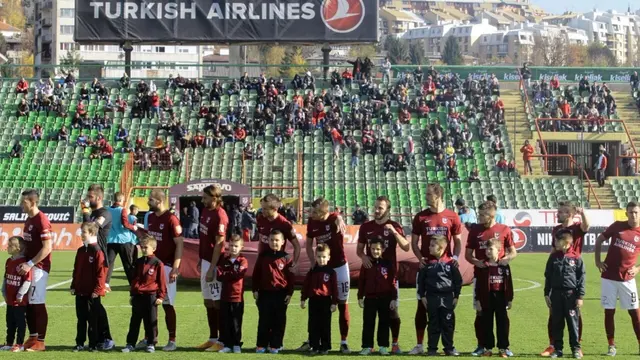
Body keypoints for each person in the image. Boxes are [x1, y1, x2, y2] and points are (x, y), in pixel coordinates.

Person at [409, 184, 463, 355]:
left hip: (445, 269)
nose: (425, 197)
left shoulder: (452, 216)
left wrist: (454, 259)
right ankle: (420, 345)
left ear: (438, 195)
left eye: (428, 194)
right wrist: (420, 259)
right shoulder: (420, 217)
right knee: (421, 306)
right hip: (427, 269)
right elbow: (414, 242)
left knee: (447, 314)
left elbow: (458, 241)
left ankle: (448, 346)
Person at [356, 196, 410, 353]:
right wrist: (364, 257)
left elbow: (406, 247)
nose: (376, 210)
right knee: (370, 316)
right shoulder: (366, 227)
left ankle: (393, 343)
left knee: (392, 312)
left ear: (388, 210)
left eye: (380, 208)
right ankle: (368, 346)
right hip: (372, 275)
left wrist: (394, 232)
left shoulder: (394, 225)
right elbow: (360, 250)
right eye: (375, 207)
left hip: (389, 276)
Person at [465, 201, 517, 356]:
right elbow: (468, 255)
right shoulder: (475, 230)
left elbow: (513, 252)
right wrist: (476, 262)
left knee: (502, 316)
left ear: (491, 214)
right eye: (478, 214)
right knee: (480, 313)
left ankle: (504, 347)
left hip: (500, 280)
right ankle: (482, 345)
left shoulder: (504, 230)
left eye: (482, 215)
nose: (479, 217)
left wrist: (506, 259)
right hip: (481, 278)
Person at [300, 198, 351, 353]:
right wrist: (312, 261)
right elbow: (308, 243)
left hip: (340, 266)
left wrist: (340, 218)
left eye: (315, 212)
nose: (311, 214)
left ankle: (343, 341)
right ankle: (312, 340)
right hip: (322, 266)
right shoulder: (312, 222)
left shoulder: (334, 218)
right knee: (316, 305)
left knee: (342, 304)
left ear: (324, 213)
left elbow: (337, 215)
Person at [541, 201, 590, 357]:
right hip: (557, 272)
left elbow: (587, 226)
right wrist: (551, 266)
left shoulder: (576, 228)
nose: (557, 214)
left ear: (569, 214)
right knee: (554, 315)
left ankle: (577, 345)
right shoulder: (556, 229)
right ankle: (553, 345)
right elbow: (553, 249)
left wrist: (582, 213)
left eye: (561, 212)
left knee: (574, 315)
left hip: (572, 273)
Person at [594, 201, 640, 356]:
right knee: (609, 312)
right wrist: (597, 261)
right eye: (631, 212)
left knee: (635, 313)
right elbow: (599, 240)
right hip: (609, 278)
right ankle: (611, 345)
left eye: (636, 212)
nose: (633, 215)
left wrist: (638, 268)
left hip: (627, 279)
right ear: (626, 213)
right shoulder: (617, 226)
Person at [143, 189, 184, 351]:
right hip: (151, 267)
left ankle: (172, 340)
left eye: (151, 200)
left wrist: (175, 268)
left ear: (159, 201)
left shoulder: (171, 219)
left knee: (167, 303)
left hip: (166, 268)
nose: (148, 202)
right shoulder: (151, 217)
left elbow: (180, 244)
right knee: (149, 304)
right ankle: (150, 338)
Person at [80, 184, 115, 350]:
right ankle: (98, 337)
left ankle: (107, 337)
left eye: (91, 197)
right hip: (89, 259)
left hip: (100, 260)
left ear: (99, 198)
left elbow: (92, 229)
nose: (88, 199)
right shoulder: (93, 213)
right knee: (90, 303)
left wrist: (86, 214)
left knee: (96, 302)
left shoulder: (104, 213)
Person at [19, 190, 53, 352]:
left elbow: (47, 248)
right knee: (29, 303)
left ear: (32, 203)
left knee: (37, 301)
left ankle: (40, 340)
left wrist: (30, 263)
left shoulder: (42, 220)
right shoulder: (29, 219)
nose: (21, 205)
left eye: (23, 202)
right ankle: (33, 337)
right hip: (29, 266)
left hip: (39, 267)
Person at [196, 185, 229, 352]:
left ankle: (222, 341)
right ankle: (212, 337)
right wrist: (201, 259)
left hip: (215, 263)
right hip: (205, 261)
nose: (203, 200)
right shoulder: (205, 211)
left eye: (205, 197)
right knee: (207, 301)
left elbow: (218, 244)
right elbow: (204, 239)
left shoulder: (220, 216)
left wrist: (212, 268)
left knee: (217, 302)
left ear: (215, 198)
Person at [417, 235, 462, 356]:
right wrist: (422, 296)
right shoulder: (426, 263)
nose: (429, 247)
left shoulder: (451, 263)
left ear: (441, 247)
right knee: (433, 323)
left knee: (448, 323)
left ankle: (449, 348)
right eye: (429, 245)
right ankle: (432, 349)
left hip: (447, 298)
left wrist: (456, 296)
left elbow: (458, 281)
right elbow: (420, 281)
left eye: (432, 245)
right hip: (431, 298)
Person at [121, 236, 167, 354]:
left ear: (154, 248)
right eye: (142, 247)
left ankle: (151, 343)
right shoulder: (139, 262)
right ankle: (130, 344)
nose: (143, 249)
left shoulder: (158, 263)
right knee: (135, 321)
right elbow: (135, 279)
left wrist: (161, 296)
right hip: (138, 296)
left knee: (150, 321)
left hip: (151, 296)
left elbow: (162, 281)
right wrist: (132, 294)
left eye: (146, 247)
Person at [544, 231, 586, 359]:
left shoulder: (576, 257)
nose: (554, 243)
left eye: (557, 241)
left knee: (573, 324)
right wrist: (546, 294)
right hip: (556, 295)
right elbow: (548, 276)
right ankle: (558, 349)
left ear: (566, 243)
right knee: (557, 323)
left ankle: (575, 349)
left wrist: (580, 296)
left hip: (571, 295)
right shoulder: (553, 257)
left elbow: (581, 277)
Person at [252, 230, 295, 354]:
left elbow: (290, 278)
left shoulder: (286, 258)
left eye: (277, 240)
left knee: (279, 320)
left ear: (282, 242)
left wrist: (289, 293)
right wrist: (255, 289)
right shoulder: (263, 256)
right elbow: (256, 274)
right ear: (268, 241)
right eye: (271, 240)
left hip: (280, 293)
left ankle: (276, 344)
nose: (274, 242)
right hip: (265, 293)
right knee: (264, 320)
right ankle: (261, 344)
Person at [71, 222, 108, 352]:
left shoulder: (97, 251)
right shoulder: (81, 250)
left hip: (93, 292)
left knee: (93, 320)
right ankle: (79, 343)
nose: (81, 234)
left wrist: (98, 290)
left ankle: (93, 344)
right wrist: (73, 285)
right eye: (81, 232)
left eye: (84, 232)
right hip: (80, 291)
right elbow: (76, 270)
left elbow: (101, 273)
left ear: (91, 233)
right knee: (81, 319)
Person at [357, 237, 398, 355]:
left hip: (385, 298)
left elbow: (392, 282)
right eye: (373, 249)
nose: (375, 251)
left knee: (384, 322)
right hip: (370, 298)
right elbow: (361, 281)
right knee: (368, 322)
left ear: (383, 250)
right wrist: (360, 296)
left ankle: (383, 346)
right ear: (369, 248)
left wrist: (393, 298)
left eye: (378, 249)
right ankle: (367, 346)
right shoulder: (366, 264)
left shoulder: (388, 264)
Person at [474, 239, 514, 358]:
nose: (488, 251)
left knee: (502, 322)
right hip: (487, 297)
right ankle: (488, 348)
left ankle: (503, 348)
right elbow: (478, 285)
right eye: (487, 249)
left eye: (491, 249)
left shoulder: (504, 266)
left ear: (499, 250)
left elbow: (509, 283)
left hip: (501, 297)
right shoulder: (482, 266)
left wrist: (510, 298)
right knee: (487, 323)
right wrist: (477, 300)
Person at [300, 244, 338, 355]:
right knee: (313, 325)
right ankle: (314, 346)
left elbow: (335, 288)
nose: (321, 259)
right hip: (313, 301)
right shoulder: (312, 271)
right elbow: (306, 285)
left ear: (328, 257)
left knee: (325, 325)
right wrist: (303, 298)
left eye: (324, 257)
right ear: (315, 257)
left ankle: (325, 347)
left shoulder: (331, 272)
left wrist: (334, 302)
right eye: (319, 257)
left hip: (326, 301)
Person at [217, 234, 248, 354]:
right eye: (231, 245)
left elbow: (239, 275)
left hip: (237, 297)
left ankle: (236, 344)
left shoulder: (243, 260)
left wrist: (227, 274)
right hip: (225, 296)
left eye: (236, 246)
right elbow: (219, 276)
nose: (233, 248)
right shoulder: (224, 260)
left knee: (236, 322)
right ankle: (227, 344)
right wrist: (231, 273)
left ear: (241, 247)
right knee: (225, 321)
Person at [1, 236, 32, 352]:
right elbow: (6, 277)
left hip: (19, 301)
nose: (7, 247)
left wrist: (20, 294)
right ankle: (9, 343)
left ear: (18, 248)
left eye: (10, 245)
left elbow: (27, 280)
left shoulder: (24, 264)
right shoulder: (9, 261)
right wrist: (3, 290)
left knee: (20, 323)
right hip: (9, 299)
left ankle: (19, 344)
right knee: (10, 322)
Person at [254, 194, 300, 266]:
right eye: (262, 208)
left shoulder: (284, 224)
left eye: (265, 209)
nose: (262, 211)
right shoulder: (261, 219)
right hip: (262, 260)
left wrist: (294, 263)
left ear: (275, 209)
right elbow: (261, 240)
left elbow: (297, 246)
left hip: (276, 263)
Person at [106, 192, 138, 288]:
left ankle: (105, 283)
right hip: (123, 240)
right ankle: (132, 283)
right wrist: (134, 228)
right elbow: (125, 224)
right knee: (128, 263)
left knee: (109, 263)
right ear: (121, 200)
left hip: (111, 240)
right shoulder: (122, 210)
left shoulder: (107, 210)